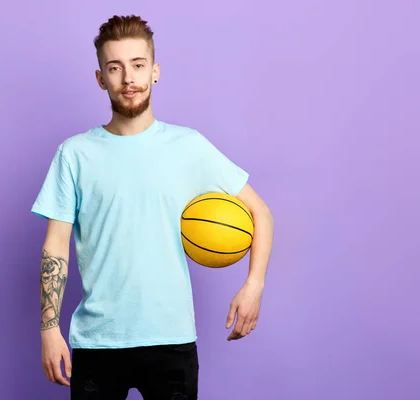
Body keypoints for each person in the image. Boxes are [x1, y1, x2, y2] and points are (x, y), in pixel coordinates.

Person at [32, 14, 274, 399]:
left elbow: (259, 212)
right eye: (115, 68)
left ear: (155, 71)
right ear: (101, 78)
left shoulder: (189, 146)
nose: (128, 79)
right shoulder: (74, 154)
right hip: (97, 343)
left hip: (171, 339)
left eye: (138, 65)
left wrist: (254, 285)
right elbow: (55, 245)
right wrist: (49, 329)